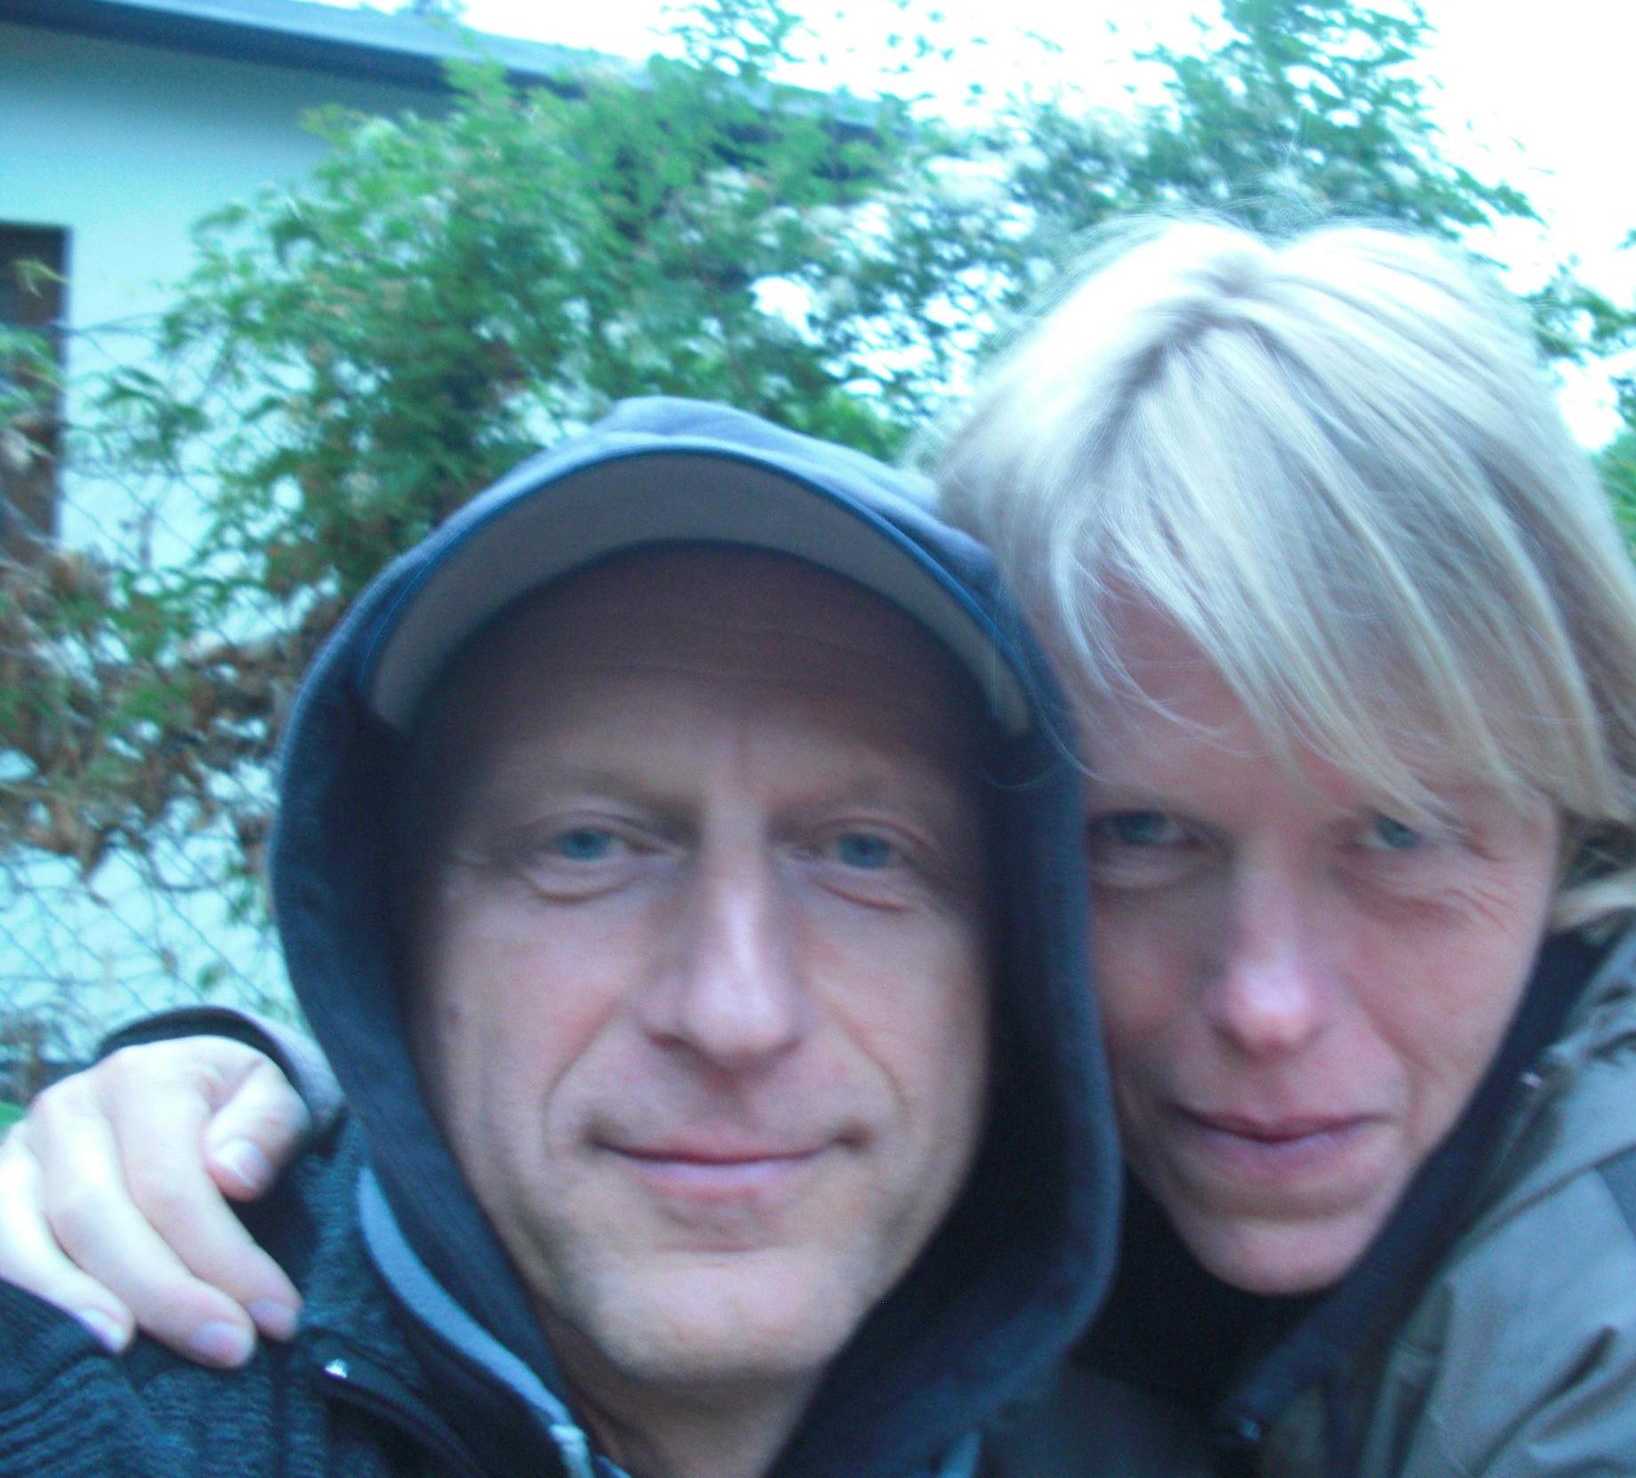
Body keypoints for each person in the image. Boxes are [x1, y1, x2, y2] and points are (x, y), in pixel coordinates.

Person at [7, 222, 1636, 1476]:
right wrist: (241, 1113)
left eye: (1403, 831)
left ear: (1580, 811)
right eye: (1142, 833)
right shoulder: (1020, 1167)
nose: (1264, 1007)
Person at [0, 398, 1119, 1478]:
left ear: (1013, 976)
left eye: (864, 854)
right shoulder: (85, 1416)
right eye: (587, 847)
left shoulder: (1152, 1433)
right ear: (399, 946)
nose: (734, 1014)